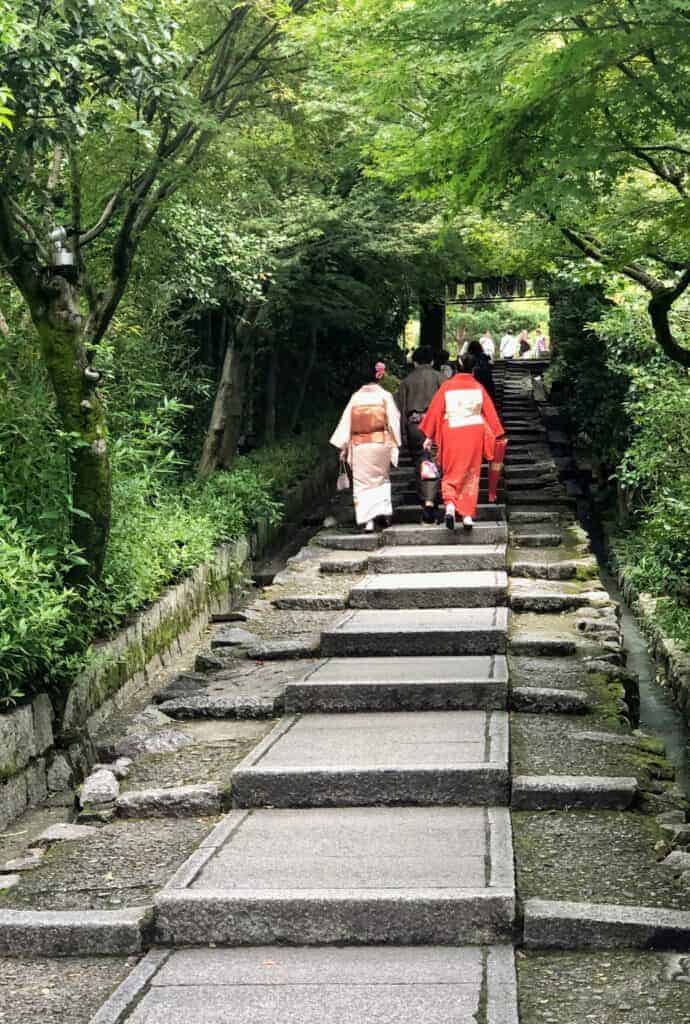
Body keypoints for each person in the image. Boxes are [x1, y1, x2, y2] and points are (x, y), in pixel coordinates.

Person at [421, 353, 505, 531]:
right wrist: (497, 434)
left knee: (451, 471)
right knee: (470, 473)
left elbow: (436, 411)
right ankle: (467, 516)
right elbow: (490, 413)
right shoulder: (478, 387)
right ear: (473, 368)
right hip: (474, 431)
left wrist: (429, 436)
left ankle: (450, 506)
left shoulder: (447, 386)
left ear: (456, 368)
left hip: (452, 430)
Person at [330, 361, 402, 533]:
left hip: (360, 444)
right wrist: (396, 443)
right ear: (379, 376)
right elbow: (394, 420)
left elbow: (346, 423)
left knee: (362, 483)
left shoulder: (356, 397)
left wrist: (344, 447)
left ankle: (368, 521)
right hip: (380, 443)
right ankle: (383, 513)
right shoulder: (385, 396)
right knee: (381, 479)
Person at [395, 346, 443, 524]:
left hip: (415, 426)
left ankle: (427, 502)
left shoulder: (406, 381)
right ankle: (430, 503)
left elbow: (400, 410)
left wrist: (402, 435)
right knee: (431, 460)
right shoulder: (441, 378)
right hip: (436, 425)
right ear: (432, 361)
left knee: (422, 461)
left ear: (414, 362)